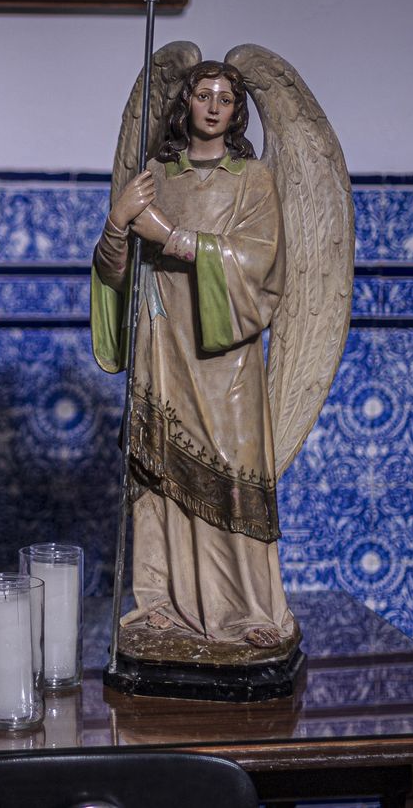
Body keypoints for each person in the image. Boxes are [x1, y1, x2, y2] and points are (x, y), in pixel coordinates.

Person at [91, 60, 294, 650]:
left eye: (224, 99)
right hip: (162, 346)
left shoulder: (252, 179)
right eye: (202, 95)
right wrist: (120, 221)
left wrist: (168, 235)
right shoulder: (154, 173)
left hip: (223, 353)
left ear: (237, 111)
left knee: (233, 471)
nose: (212, 106)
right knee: (160, 474)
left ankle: (250, 608)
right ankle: (163, 602)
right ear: (186, 104)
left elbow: (259, 264)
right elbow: (113, 270)